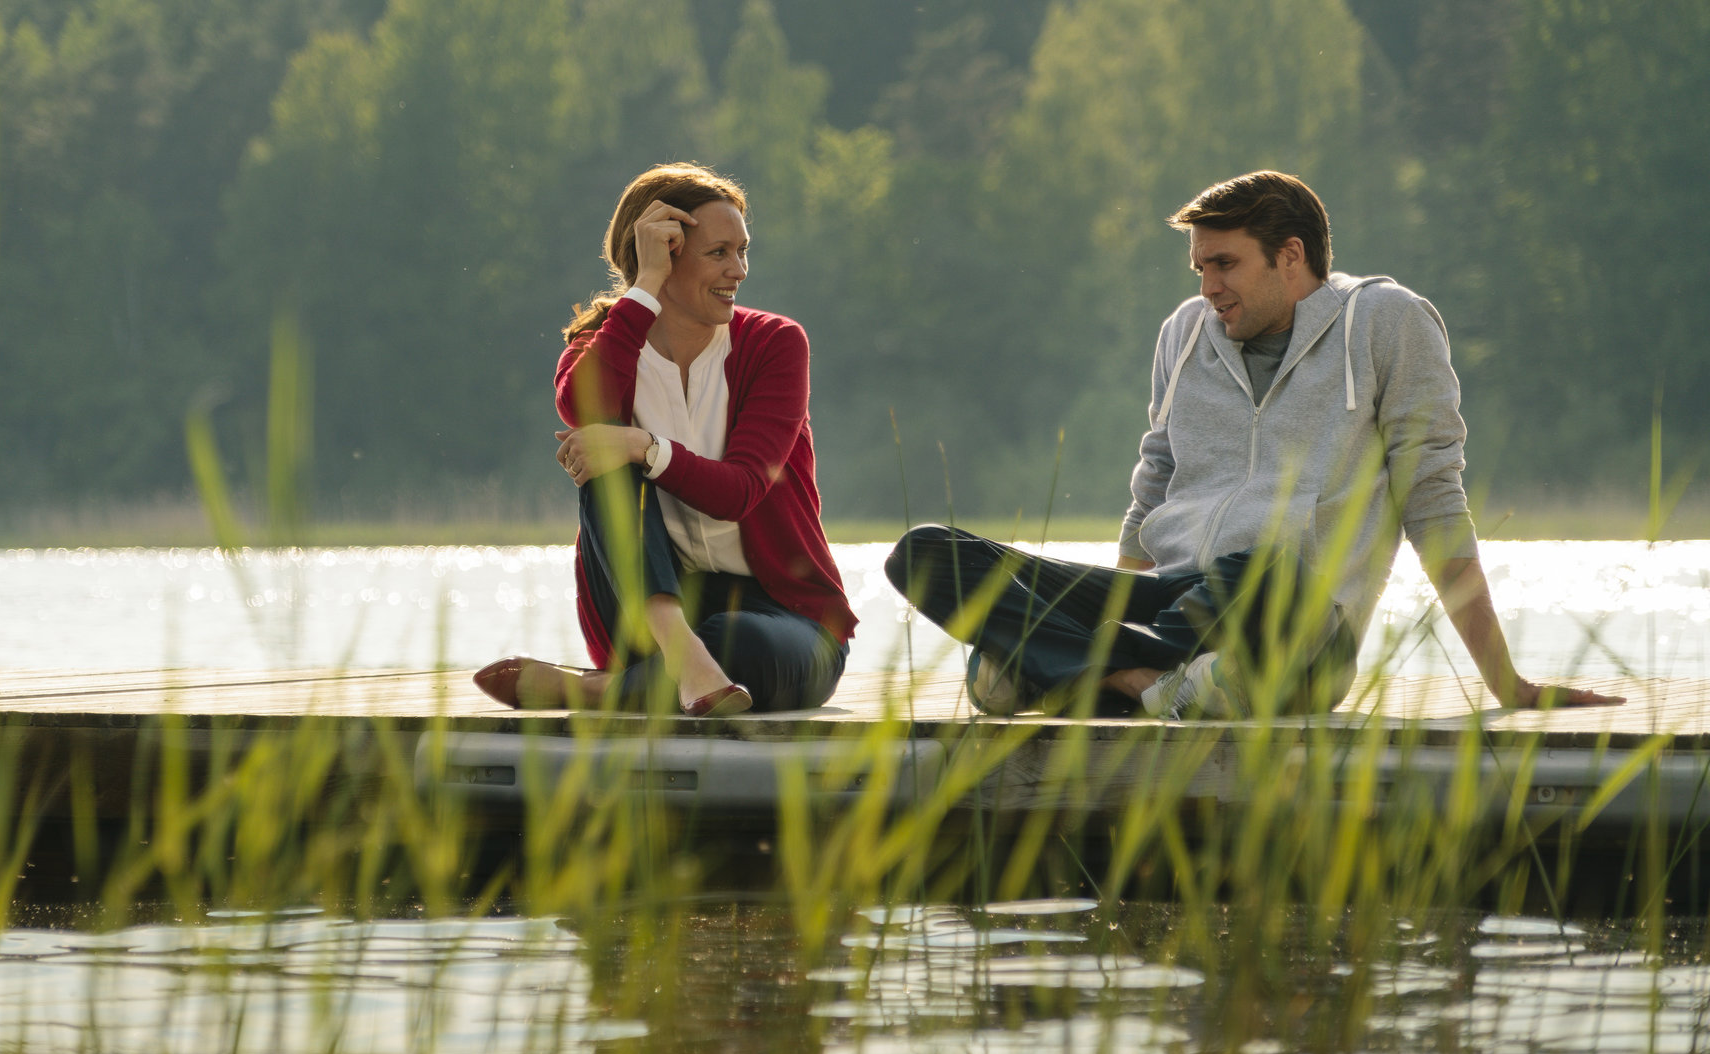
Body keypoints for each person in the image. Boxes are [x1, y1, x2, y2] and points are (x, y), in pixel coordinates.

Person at [888, 170, 1624, 717]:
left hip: (1292, 615)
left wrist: (1507, 684)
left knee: (1263, 567)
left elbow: (1433, 498)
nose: (1207, 286)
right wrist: (1115, 605)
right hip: (1170, 601)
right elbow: (1153, 487)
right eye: (1200, 269)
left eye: (1225, 264)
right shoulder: (1183, 334)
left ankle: (1045, 671)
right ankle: (1139, 682)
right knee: (924, 552)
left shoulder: (1386, 323)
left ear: (1291, 255)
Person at [474, 163, 855, 717]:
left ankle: (597, 690)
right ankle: (681, 655)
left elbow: (742, 491)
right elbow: (584, 407)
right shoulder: (599, 346)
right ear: (664, 253)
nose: (740, 270)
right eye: (719, 252)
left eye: (744, 251)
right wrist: (645, 287)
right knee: (605, 459)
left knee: (738, 641)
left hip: (786, 616)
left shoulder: (774, 343)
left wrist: (645, 448)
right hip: (651, 612)